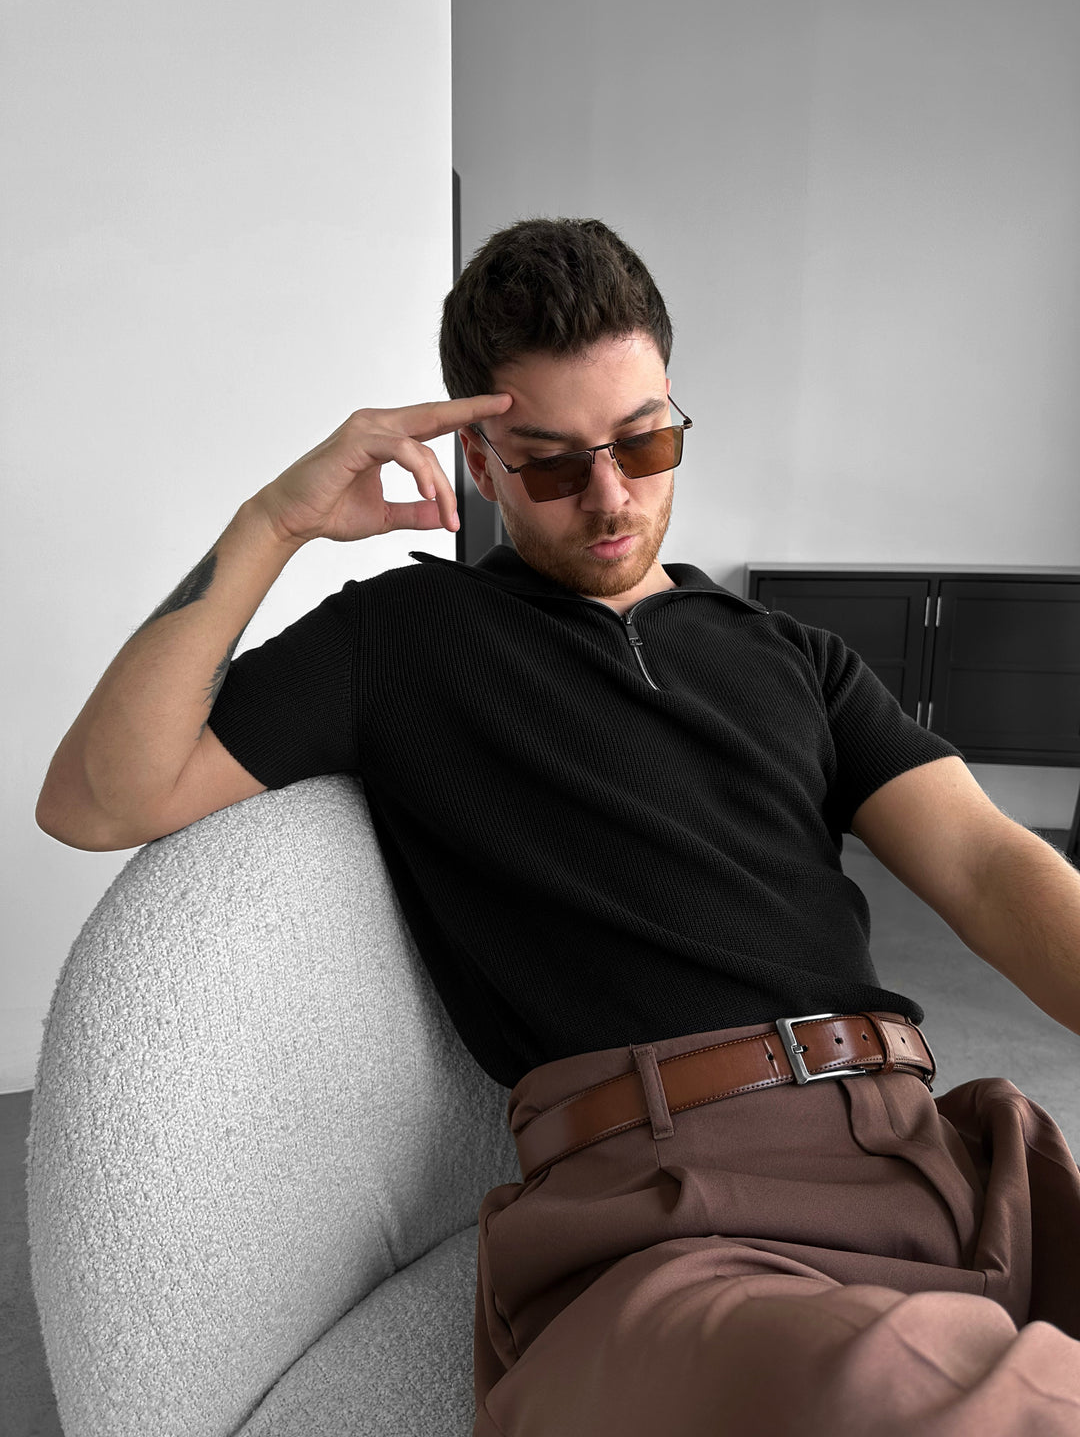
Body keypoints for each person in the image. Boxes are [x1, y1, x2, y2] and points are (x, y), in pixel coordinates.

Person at [36, 216, 1080, 1434]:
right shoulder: (403, 640)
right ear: (482, 467)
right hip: (674, 1210)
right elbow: (97, 798)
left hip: (928, 1152)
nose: (611, 495)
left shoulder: (797, 657)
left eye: (646, 441)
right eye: (550, 465)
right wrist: (274, 520)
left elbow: (987, 863)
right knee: (910, 1396)